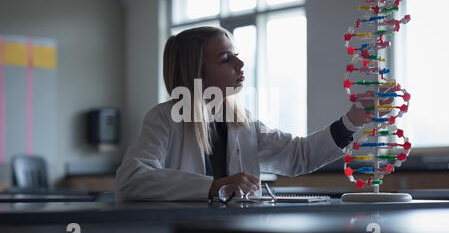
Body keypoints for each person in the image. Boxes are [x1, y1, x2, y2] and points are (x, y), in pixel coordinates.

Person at [115, 26, 380, 202]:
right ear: (197, 72)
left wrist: (351, 122)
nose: (240, 64)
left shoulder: (244, 123)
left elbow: (299, 156)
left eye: (236, 55)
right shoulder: (165, 118)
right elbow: (131, 180)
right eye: (225, 59)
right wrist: (213, 186)